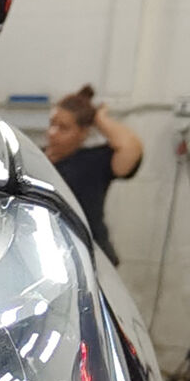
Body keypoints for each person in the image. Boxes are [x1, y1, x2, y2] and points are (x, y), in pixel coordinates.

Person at [43, 84, 142, 264]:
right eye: (52, 124)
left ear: (83, 132)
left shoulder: (94, 162)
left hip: (90, 256)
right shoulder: (36, 157)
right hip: (51, 252)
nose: (52, 133)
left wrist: (99, 118)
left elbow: (130, 148)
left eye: (63, 128)